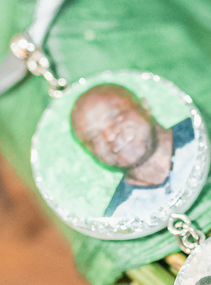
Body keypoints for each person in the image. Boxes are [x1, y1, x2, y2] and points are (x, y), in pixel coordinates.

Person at [69, 83, 197, 219]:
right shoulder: (120, 218)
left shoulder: (203, 133)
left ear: (144, 106)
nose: (110, 136)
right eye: (94, 138)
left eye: (116, 118)